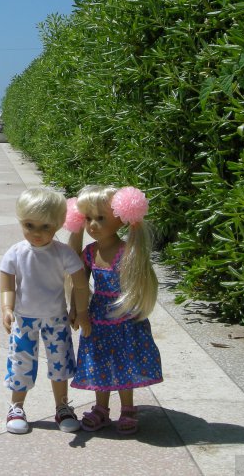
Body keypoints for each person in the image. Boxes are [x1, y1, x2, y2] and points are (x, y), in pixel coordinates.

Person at [65, 184, 163, 434]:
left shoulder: (127, 251)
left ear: (121, 218)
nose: (93, 225)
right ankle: (101, 408)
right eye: (88, 218)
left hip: (125, 317)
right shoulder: (89, 253)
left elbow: (139, 282)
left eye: (101, 218)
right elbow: (79, 285)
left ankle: (128, 408)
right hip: (97, 318)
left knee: (125, 361)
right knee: (99, 361)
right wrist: (76, 310)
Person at [0, 187, 92, 434]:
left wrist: (80, 310)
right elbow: (7, 284)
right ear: (21, 221)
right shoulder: (16, 252)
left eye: (45, 227)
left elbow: (81, 284)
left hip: (56, 319)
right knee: (21, 362)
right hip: (24, 318)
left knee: (59, 362)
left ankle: (62, 406)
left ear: (59, 224)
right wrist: (7, 307)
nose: (37, 233)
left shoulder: (63, 253)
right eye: (29, 225)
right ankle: (16, 406)